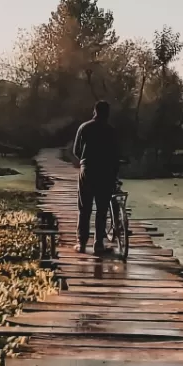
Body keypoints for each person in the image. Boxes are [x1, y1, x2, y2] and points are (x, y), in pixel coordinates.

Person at [73, 100, 120, 255]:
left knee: (84, 206)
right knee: (101, 209)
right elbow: (115, 155)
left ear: (94, 111)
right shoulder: (112, 131)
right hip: (105, 171)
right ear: (107, 114)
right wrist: (114, 173)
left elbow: (76, 150)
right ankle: (98, 243)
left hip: (87, 169)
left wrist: (84, 161)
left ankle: (81, 243)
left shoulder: (84, 127)